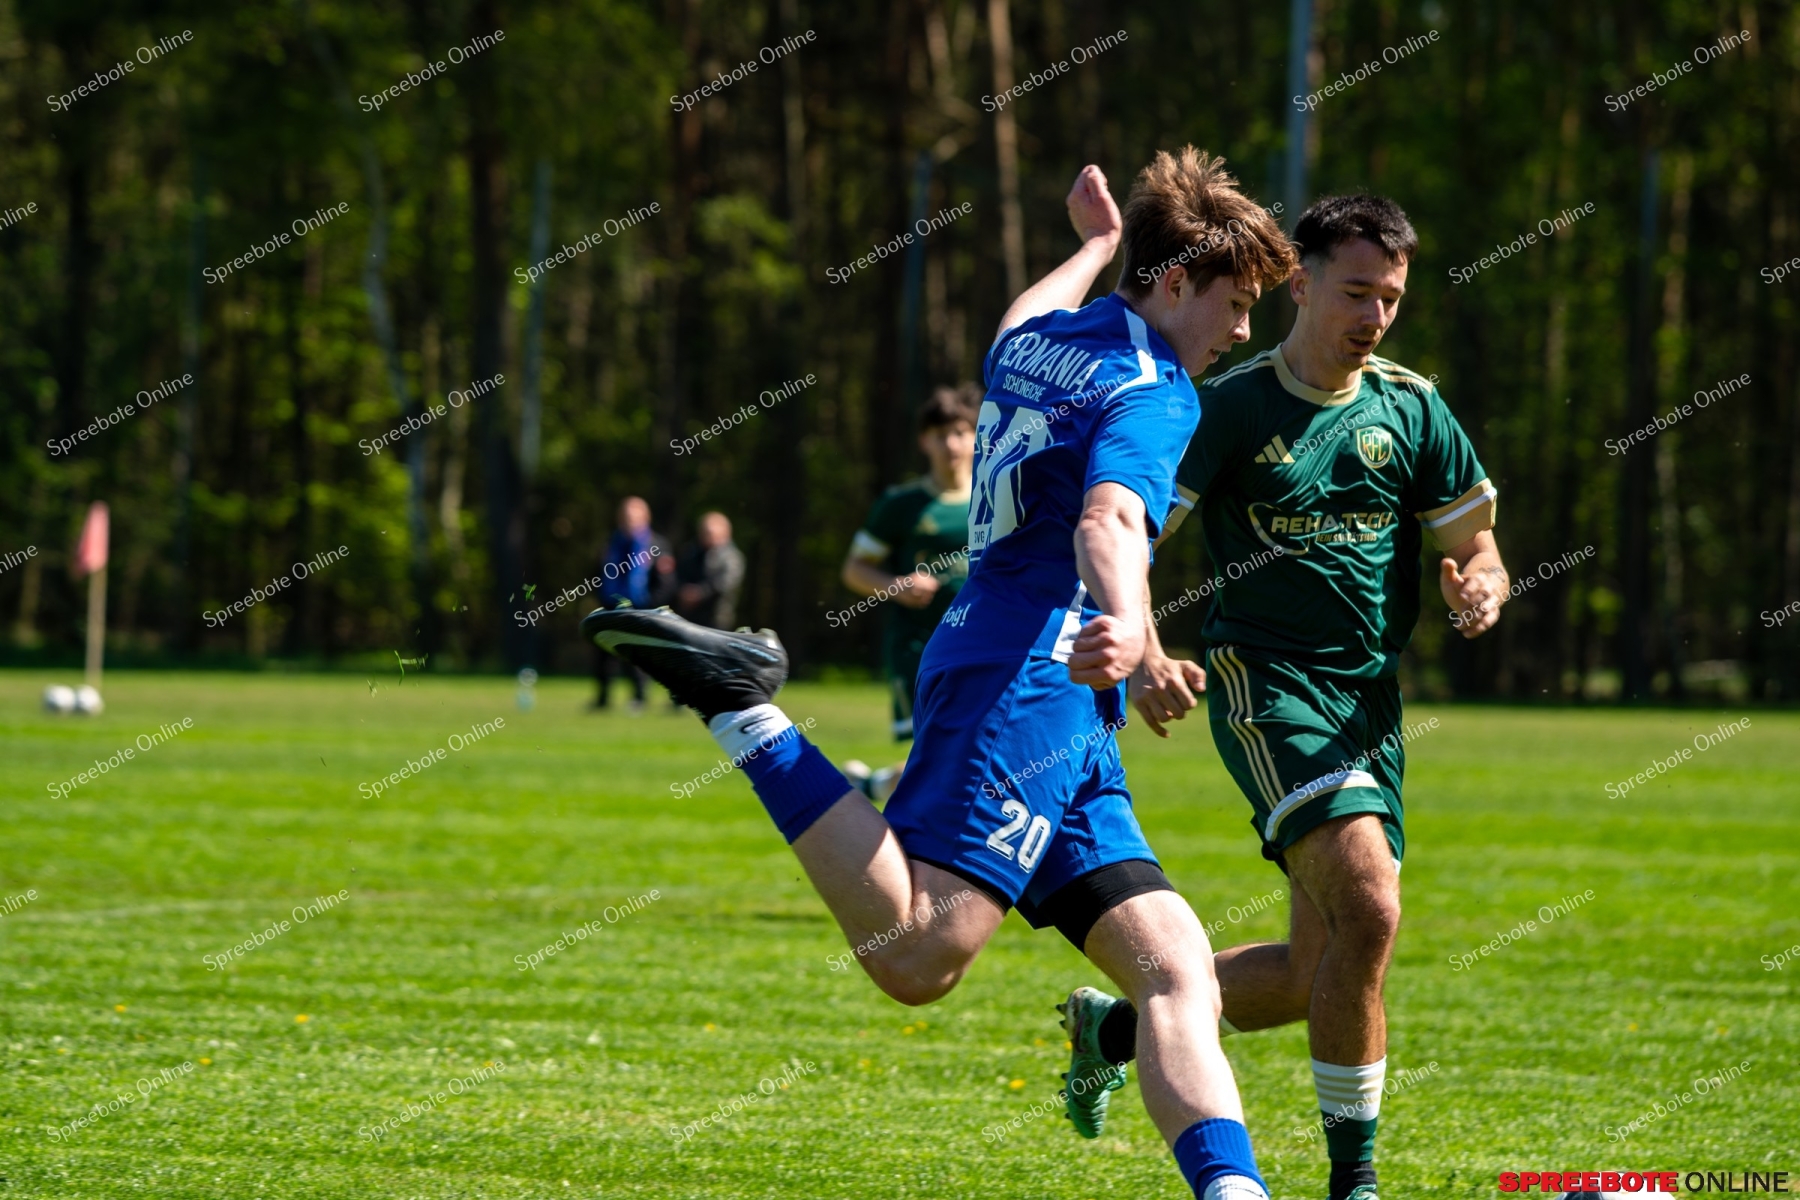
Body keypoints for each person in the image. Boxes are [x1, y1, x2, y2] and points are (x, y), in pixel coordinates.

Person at [584, 150, 1295, 1200]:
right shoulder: (1157, 391)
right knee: (918, 953)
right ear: (1178, 281)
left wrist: (1095, 247)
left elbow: (1018, 317)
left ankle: (1233, 1192)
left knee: (1176, 970)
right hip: (1031, 682)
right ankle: (742, 707)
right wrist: (1128, 624)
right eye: (1234, 305)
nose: (1242, 332)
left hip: (1021, 676)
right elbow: (1107, 522)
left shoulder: (1044, 344)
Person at [1057, 195, 1510, 1200]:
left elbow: (1476, 545)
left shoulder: (1412, 409)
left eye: (1391, 298)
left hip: (1369, 703)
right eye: (1356, 292)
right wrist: (1147, 648)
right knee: (1372, 909)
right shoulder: (1230, 408)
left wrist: (1481, 585)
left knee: (1319, 970)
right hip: (1267, 687)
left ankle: (1117, 1029)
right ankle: (1356, 1183)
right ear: (1300, 284)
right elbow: (1130, 537)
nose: (1375, 316)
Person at [838, 384, 977, 802]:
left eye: (960, 433)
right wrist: (897, 586)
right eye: (941, 435)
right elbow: (854, 570)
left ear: (976, 436)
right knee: (944, 751)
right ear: (924, 441)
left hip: (982, 644)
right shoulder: (901, 505)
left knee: (962, 750)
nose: (951, 444)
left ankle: (874, 786)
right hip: (919, 647)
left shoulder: (997, 499)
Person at [593, 496, 674, 712]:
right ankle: (602, 698)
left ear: (645, 518)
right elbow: (598, 574)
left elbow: (666, 582)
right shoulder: (611, 543)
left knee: (638, 655)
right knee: (604, 653)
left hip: (642, 608)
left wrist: (651, 605)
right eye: (626, 517)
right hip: (612, 606)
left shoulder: (656, 545)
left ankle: (639, 697)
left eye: (634, 518)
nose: (629, 522)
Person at [675, 511, 747, 631]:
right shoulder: (690, 552)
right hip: (689, 617)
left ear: (725, 534)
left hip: (718, 620)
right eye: (704, 532)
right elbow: (679, 574)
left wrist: (699, 594)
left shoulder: (732, 558)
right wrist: (683, 591)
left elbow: (725, 584)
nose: (706, 537)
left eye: (710, 533)